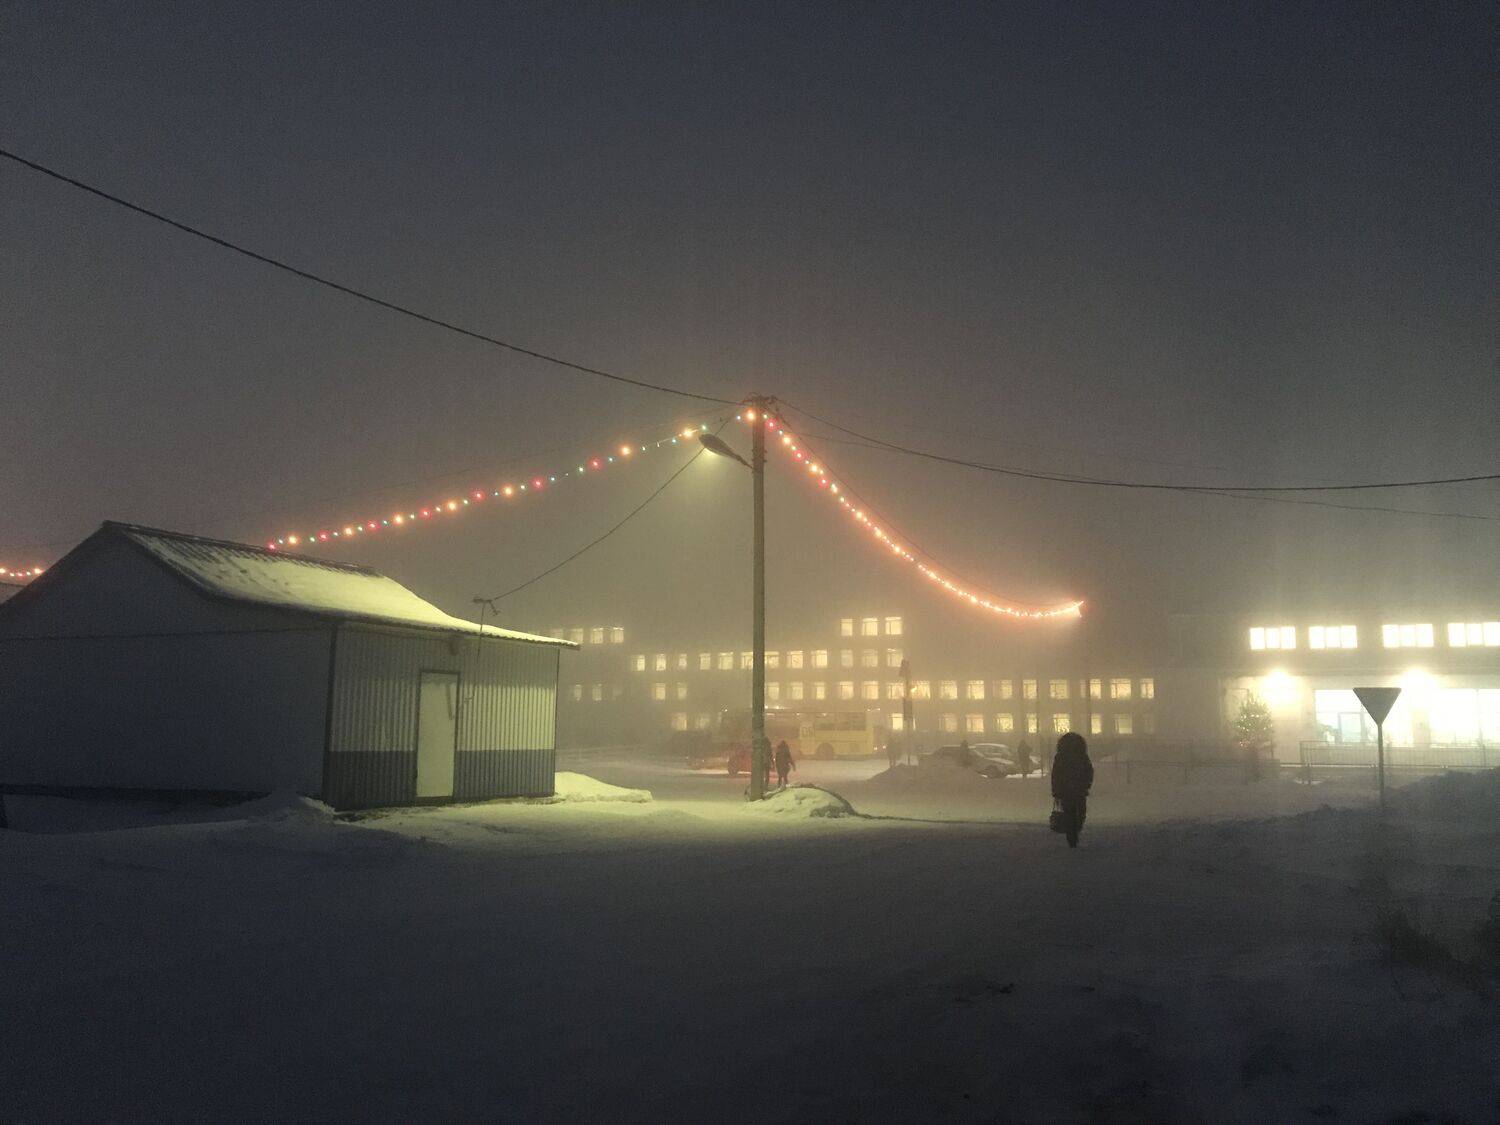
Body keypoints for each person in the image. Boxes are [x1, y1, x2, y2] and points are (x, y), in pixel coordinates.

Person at [1050, 731, 1094, 848]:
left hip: (1065, 791)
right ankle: (1075, 832)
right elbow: (1089, 771)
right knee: (1080, 813)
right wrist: (1086, 784)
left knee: (1069, 813)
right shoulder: (1082, 756)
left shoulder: (1060, 757)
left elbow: (1056, 774)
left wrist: (1056, 790)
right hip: (1079, 790)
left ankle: (1071, 836)